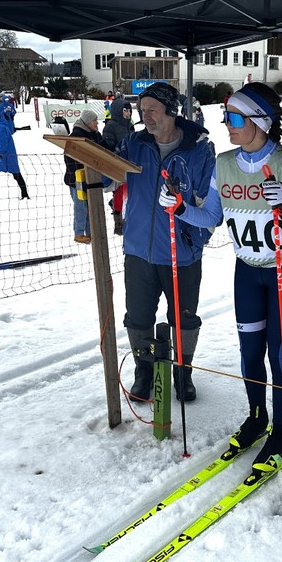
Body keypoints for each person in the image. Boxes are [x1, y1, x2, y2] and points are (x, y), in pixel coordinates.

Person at [159, 82, 282, 467]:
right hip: (247, 271)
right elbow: (212, 217)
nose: (226, 125)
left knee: (278, 354)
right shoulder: (225, 162)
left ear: (259, 121)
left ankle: (281, 431)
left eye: (233, 118)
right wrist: (180, 207)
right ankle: (257, 417)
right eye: (225, 117)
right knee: (250, 352)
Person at [112, 82, 215, 402]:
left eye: (152, 110)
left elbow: (210, 203)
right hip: (139, 250)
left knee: (184, 317)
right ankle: (144, 372)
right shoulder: (134, 143)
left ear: (171, 111)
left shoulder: (199, 150)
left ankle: (183, 372)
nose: (146, 117)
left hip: (181, 253)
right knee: (137, 316)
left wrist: (195, 237)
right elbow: (108, 175)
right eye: (142, 110)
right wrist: (83, 166)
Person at [63, 110, 103, 243]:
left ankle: (90, 233)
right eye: (94, 120)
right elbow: (69, 159)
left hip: (92, 178)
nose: (97, 123)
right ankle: (79, 233)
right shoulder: (76, 136)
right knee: (81, 206)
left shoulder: (95, 134)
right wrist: (82, 170)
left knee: (90, 205)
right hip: (77, 179)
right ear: (87, 122)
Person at [102, 99, 135, 235]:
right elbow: (107, 147)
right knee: (119, 195)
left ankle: (130, 221)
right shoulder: (110, 126)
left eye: (129, 111)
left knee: (130, 194)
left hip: (130, 165)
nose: (128, 113)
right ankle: (119, 223)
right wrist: (117, 153)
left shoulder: (129, 125)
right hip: (117, 165)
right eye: (125, 111)